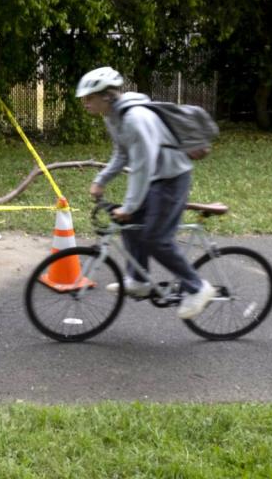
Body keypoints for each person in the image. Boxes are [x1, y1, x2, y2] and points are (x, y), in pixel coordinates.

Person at [76, 66, 215, 319]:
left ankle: (198, 287)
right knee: (129, 224)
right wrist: (102, 179)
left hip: (172, 179)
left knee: (155, 238)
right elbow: (122, 153)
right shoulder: (113, 117)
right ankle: (138, 281)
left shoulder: (134, 118)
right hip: (154, 178)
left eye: (89, 97)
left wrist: (129, 206)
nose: (85, 103)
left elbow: (142, 166)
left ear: (106, 96)